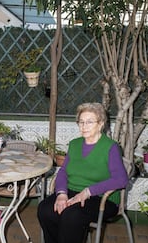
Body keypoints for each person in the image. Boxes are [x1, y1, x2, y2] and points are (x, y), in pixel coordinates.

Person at [38, 102, 129, 243]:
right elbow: (63, 172)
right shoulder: (75, 144)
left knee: (71, 215)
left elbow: (121, 179)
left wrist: (88, 192)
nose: (83, 126)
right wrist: (62, 194)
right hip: (72, 191)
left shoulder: (111, 147)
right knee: (45, 210)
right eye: (81, 122)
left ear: (101, 124)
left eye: (89, 122)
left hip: (101, 197)